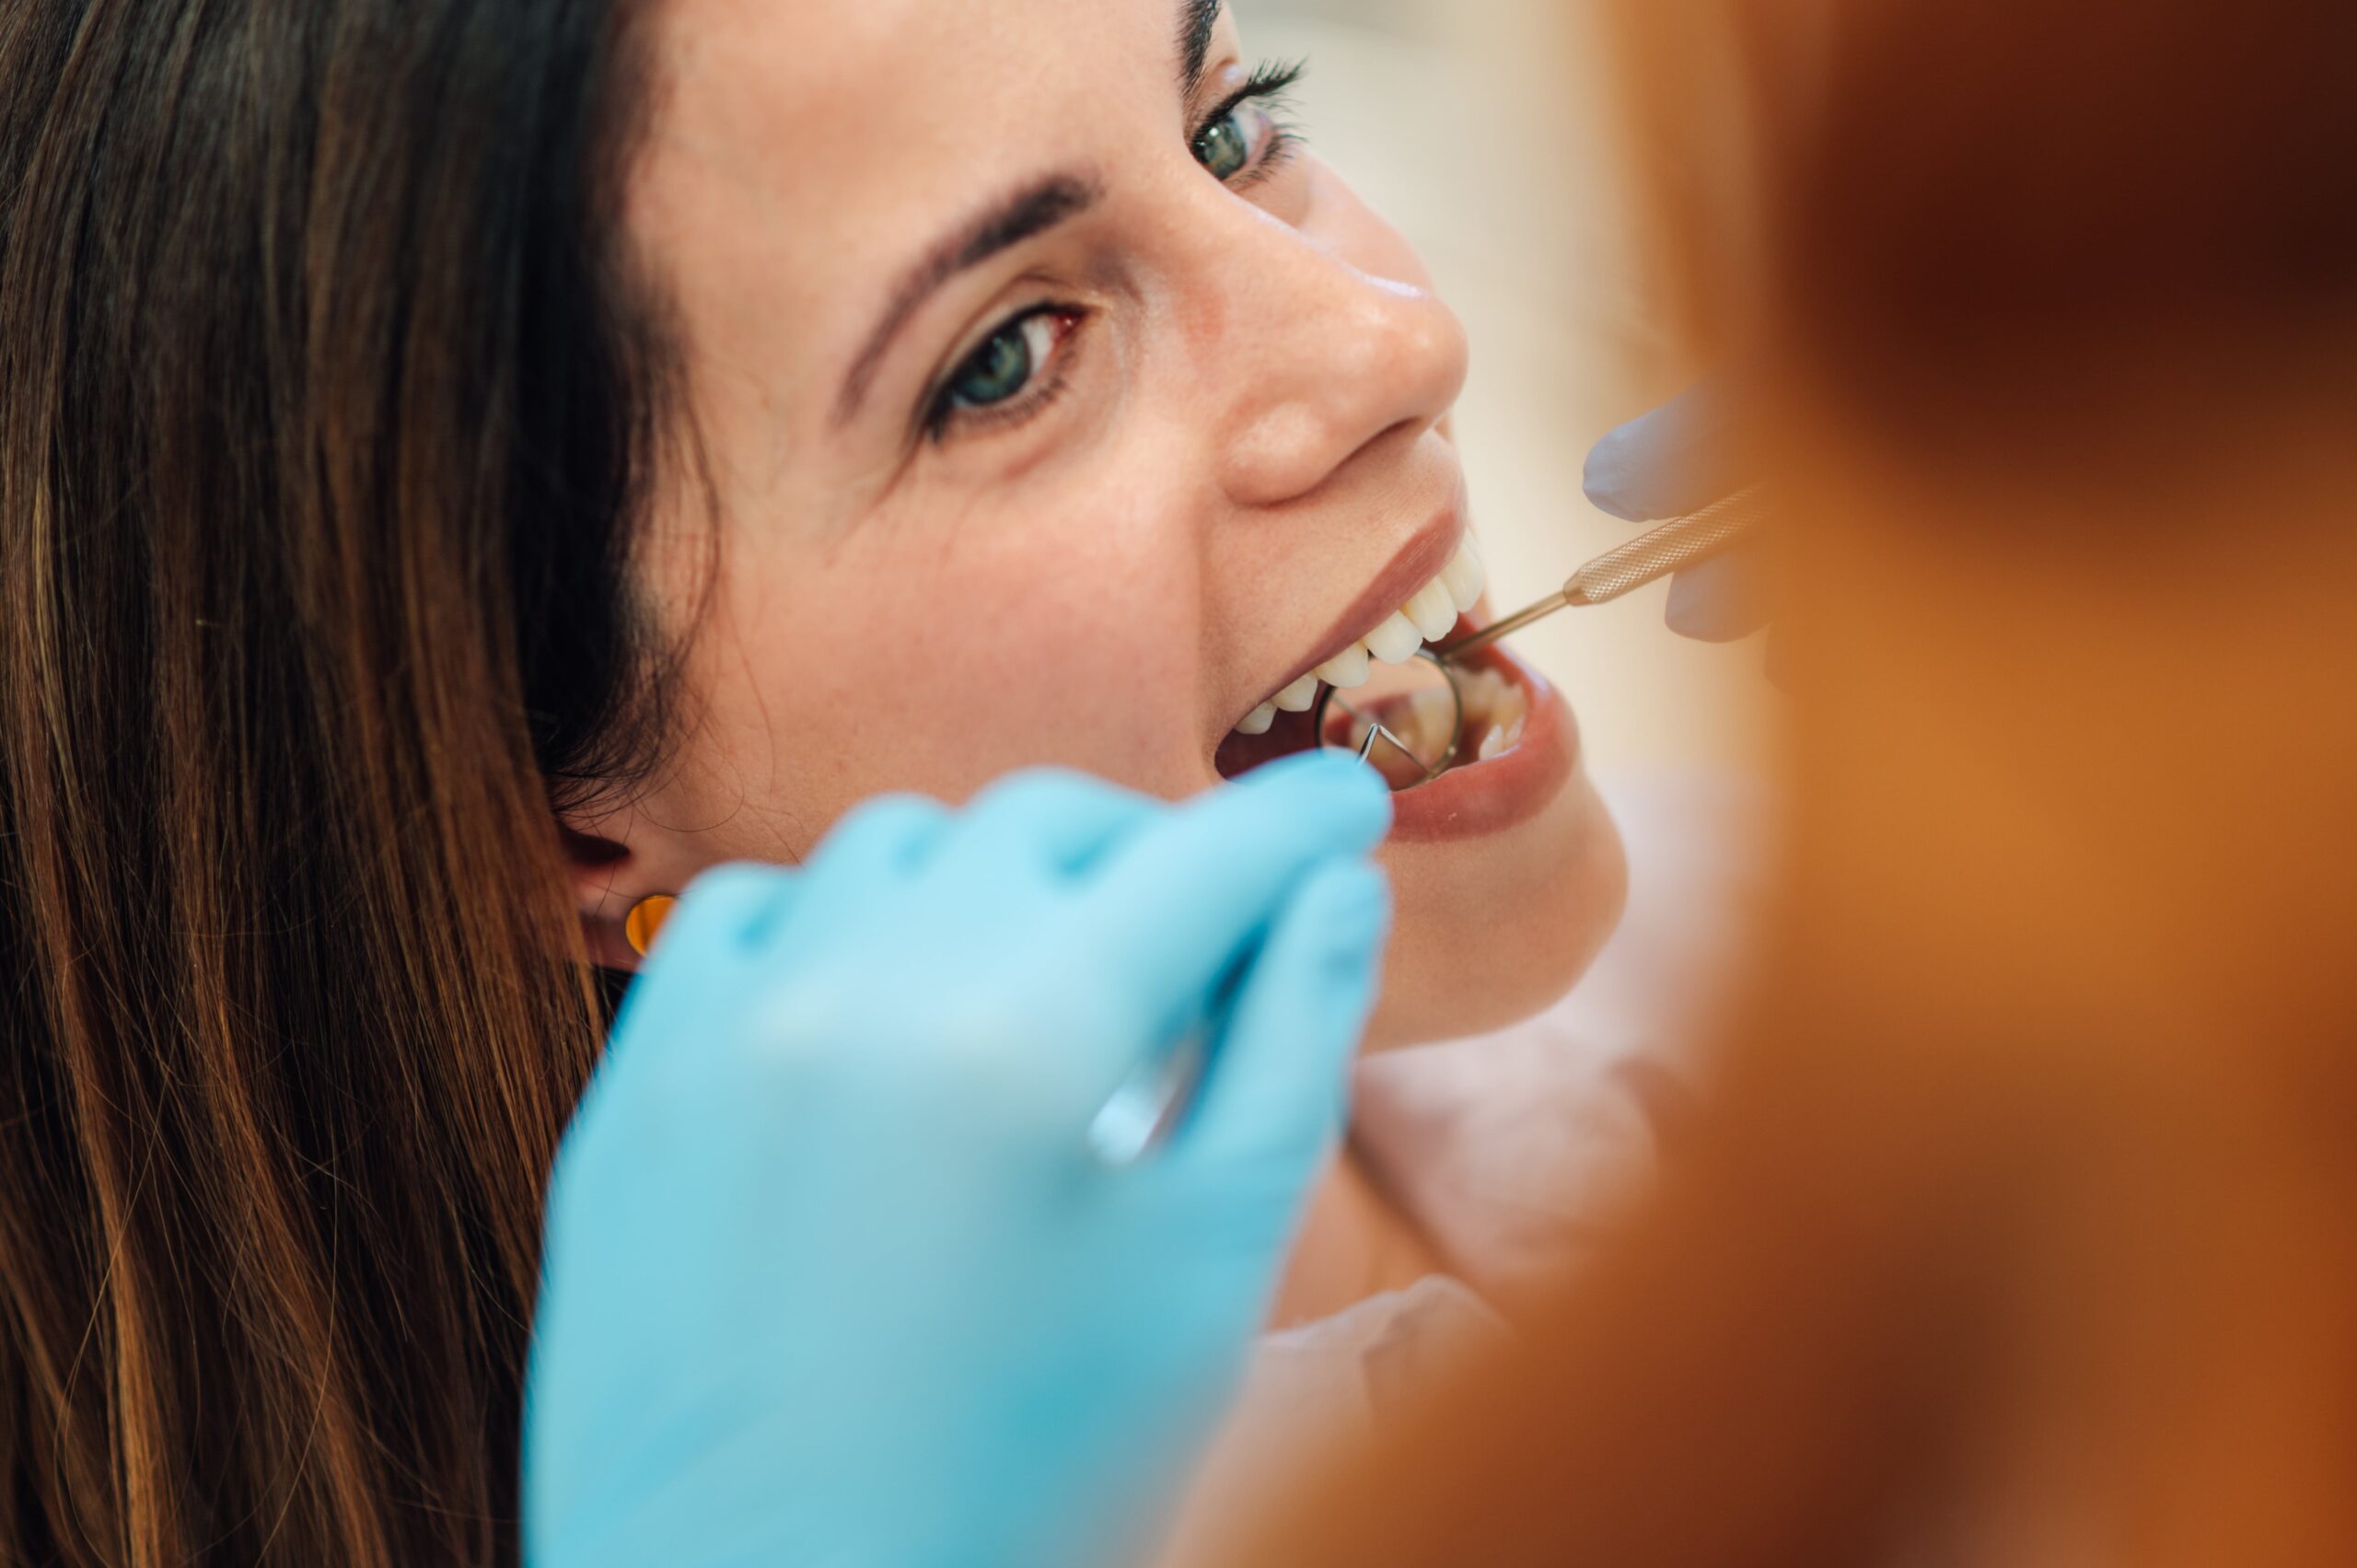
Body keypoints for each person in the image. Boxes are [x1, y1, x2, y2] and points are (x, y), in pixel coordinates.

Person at [0, 1, 1682, 1562]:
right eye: (1009, 357)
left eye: (1231, 132)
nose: (1396, 342)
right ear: (554, 831)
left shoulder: (1775, 970)